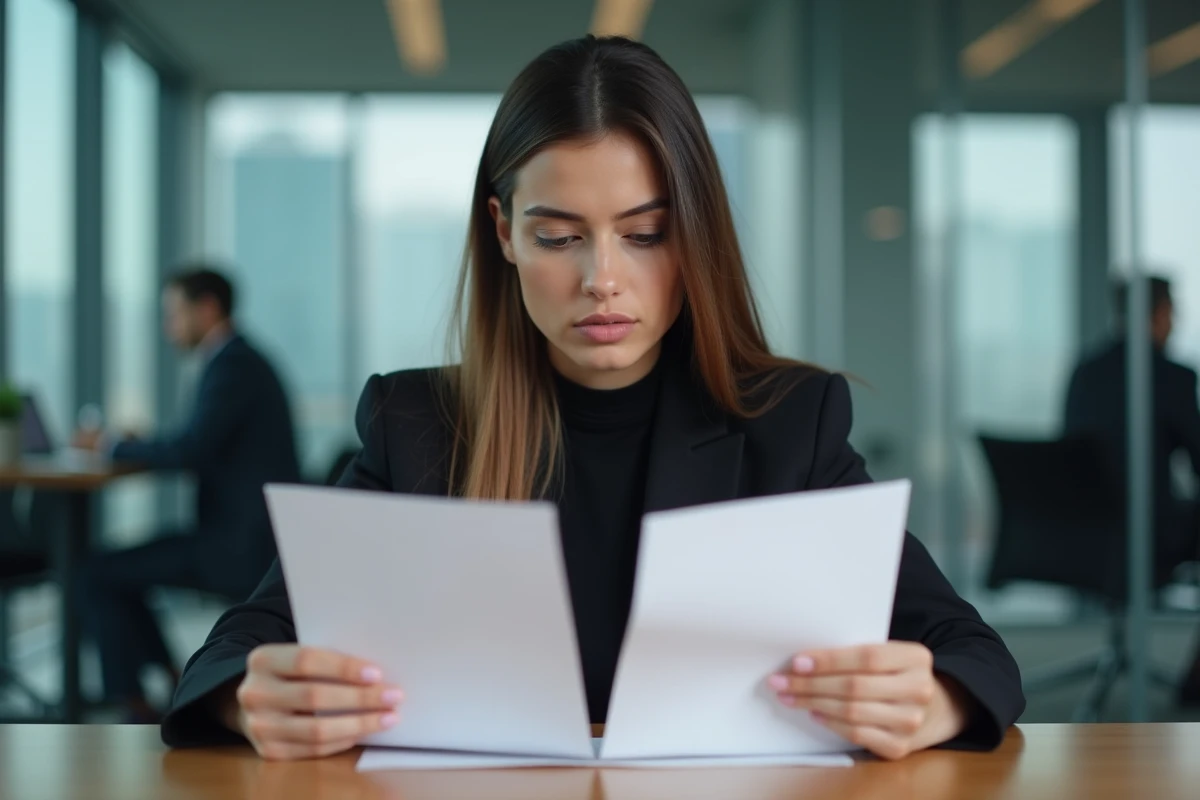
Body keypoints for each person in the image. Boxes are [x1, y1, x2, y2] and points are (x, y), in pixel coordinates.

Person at [160, 36, 1024, 760]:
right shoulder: (414, 426)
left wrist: (934, 701)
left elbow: (973, 652)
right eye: (558, 237)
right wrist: (249, 700)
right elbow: (234, 650)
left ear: (694, 236)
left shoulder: (790, 424)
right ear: (504, 232)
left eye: (645, 234)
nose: (602, 279)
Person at [75, 267, 301, 722]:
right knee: (106, 570)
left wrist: (111, 446)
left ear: (207, 308)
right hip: (248, 538)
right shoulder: (240, 360)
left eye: (174, 314)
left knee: (96, 572)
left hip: (239, 548)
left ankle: (134, 705)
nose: (169, 327)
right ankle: (170, 682)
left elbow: (192, 448)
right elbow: (199, 441)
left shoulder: (233, 365)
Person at [1063, 276, 1200, 704]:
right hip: (1147, 535)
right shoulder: (1171, 376)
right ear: (1160, 314)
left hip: (1079, 533)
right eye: (1172, 313)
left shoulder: (1085, 371)